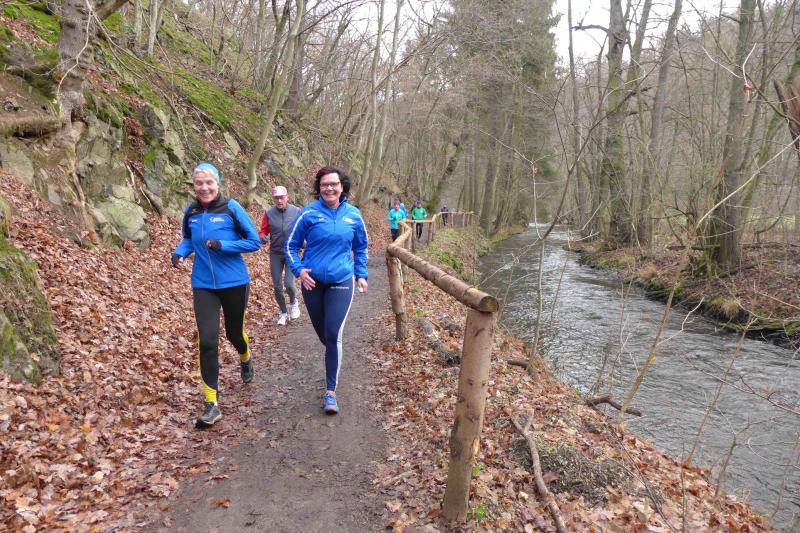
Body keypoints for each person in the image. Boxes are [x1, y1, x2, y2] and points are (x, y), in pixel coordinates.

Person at [172, 162, 261, 428]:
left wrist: (224, 245)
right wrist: (180, 252)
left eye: (209, 182)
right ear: (194, 185)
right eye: (199, 183)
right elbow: (188, 239)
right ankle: (211, 404)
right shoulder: (191, 211)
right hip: (203, 285)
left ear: (217, 184)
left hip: (234, 282)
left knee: (234, 334)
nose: (204, 188)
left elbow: (254, 241)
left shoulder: (231, 208)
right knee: (208, 341)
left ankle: (245, 357)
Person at [286, 165, 369, 415]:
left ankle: (330, 392)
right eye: (324, 185)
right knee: (325, 336)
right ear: (319, 188)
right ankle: (335, 352)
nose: (329, 188)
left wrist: (361, 274)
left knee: (333, 334)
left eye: (333, 184)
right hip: (312, 283)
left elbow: (361, 247)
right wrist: (299, 271)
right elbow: (290, 246)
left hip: (341, 280)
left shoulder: (353, 215)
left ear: (342, 187)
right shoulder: (308, 213)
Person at [259, 185, 301, 325]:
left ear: (287, 197)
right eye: (276, 198)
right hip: (275, 253)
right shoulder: (269, 213)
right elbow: (263, 231)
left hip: (291, 252)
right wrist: (263, 237)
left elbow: (303, 228)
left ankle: (293, 302)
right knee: (277, 286)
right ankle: (283, 312)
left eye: (281, 197)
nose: (279, 200)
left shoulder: (296, 211)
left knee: (289, 284)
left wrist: (304, 242)